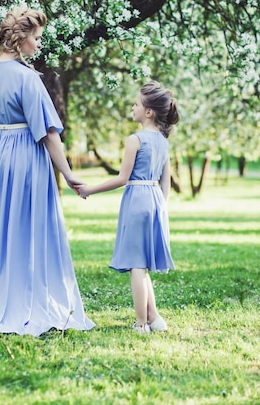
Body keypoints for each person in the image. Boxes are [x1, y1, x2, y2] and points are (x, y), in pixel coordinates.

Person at [0, 6, 95, 337]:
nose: (39, 45)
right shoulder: (27, 79)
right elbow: (48, 133)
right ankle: (26, 299)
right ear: (20, 40)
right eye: (36, 38)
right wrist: (68, 172)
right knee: (26, 227)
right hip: (24, 156)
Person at [78, 81, 179, 334]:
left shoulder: (136, 140)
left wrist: (89, 189)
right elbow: (165, 182)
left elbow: (122, 178)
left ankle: (140, 323)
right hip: (155, 201)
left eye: (136, 103)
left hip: (137, 199)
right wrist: (160, 208)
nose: (132, 107)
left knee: (136, 264)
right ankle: (154, 318)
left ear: (148, 112)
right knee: (143, 264)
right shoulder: (164, 142)